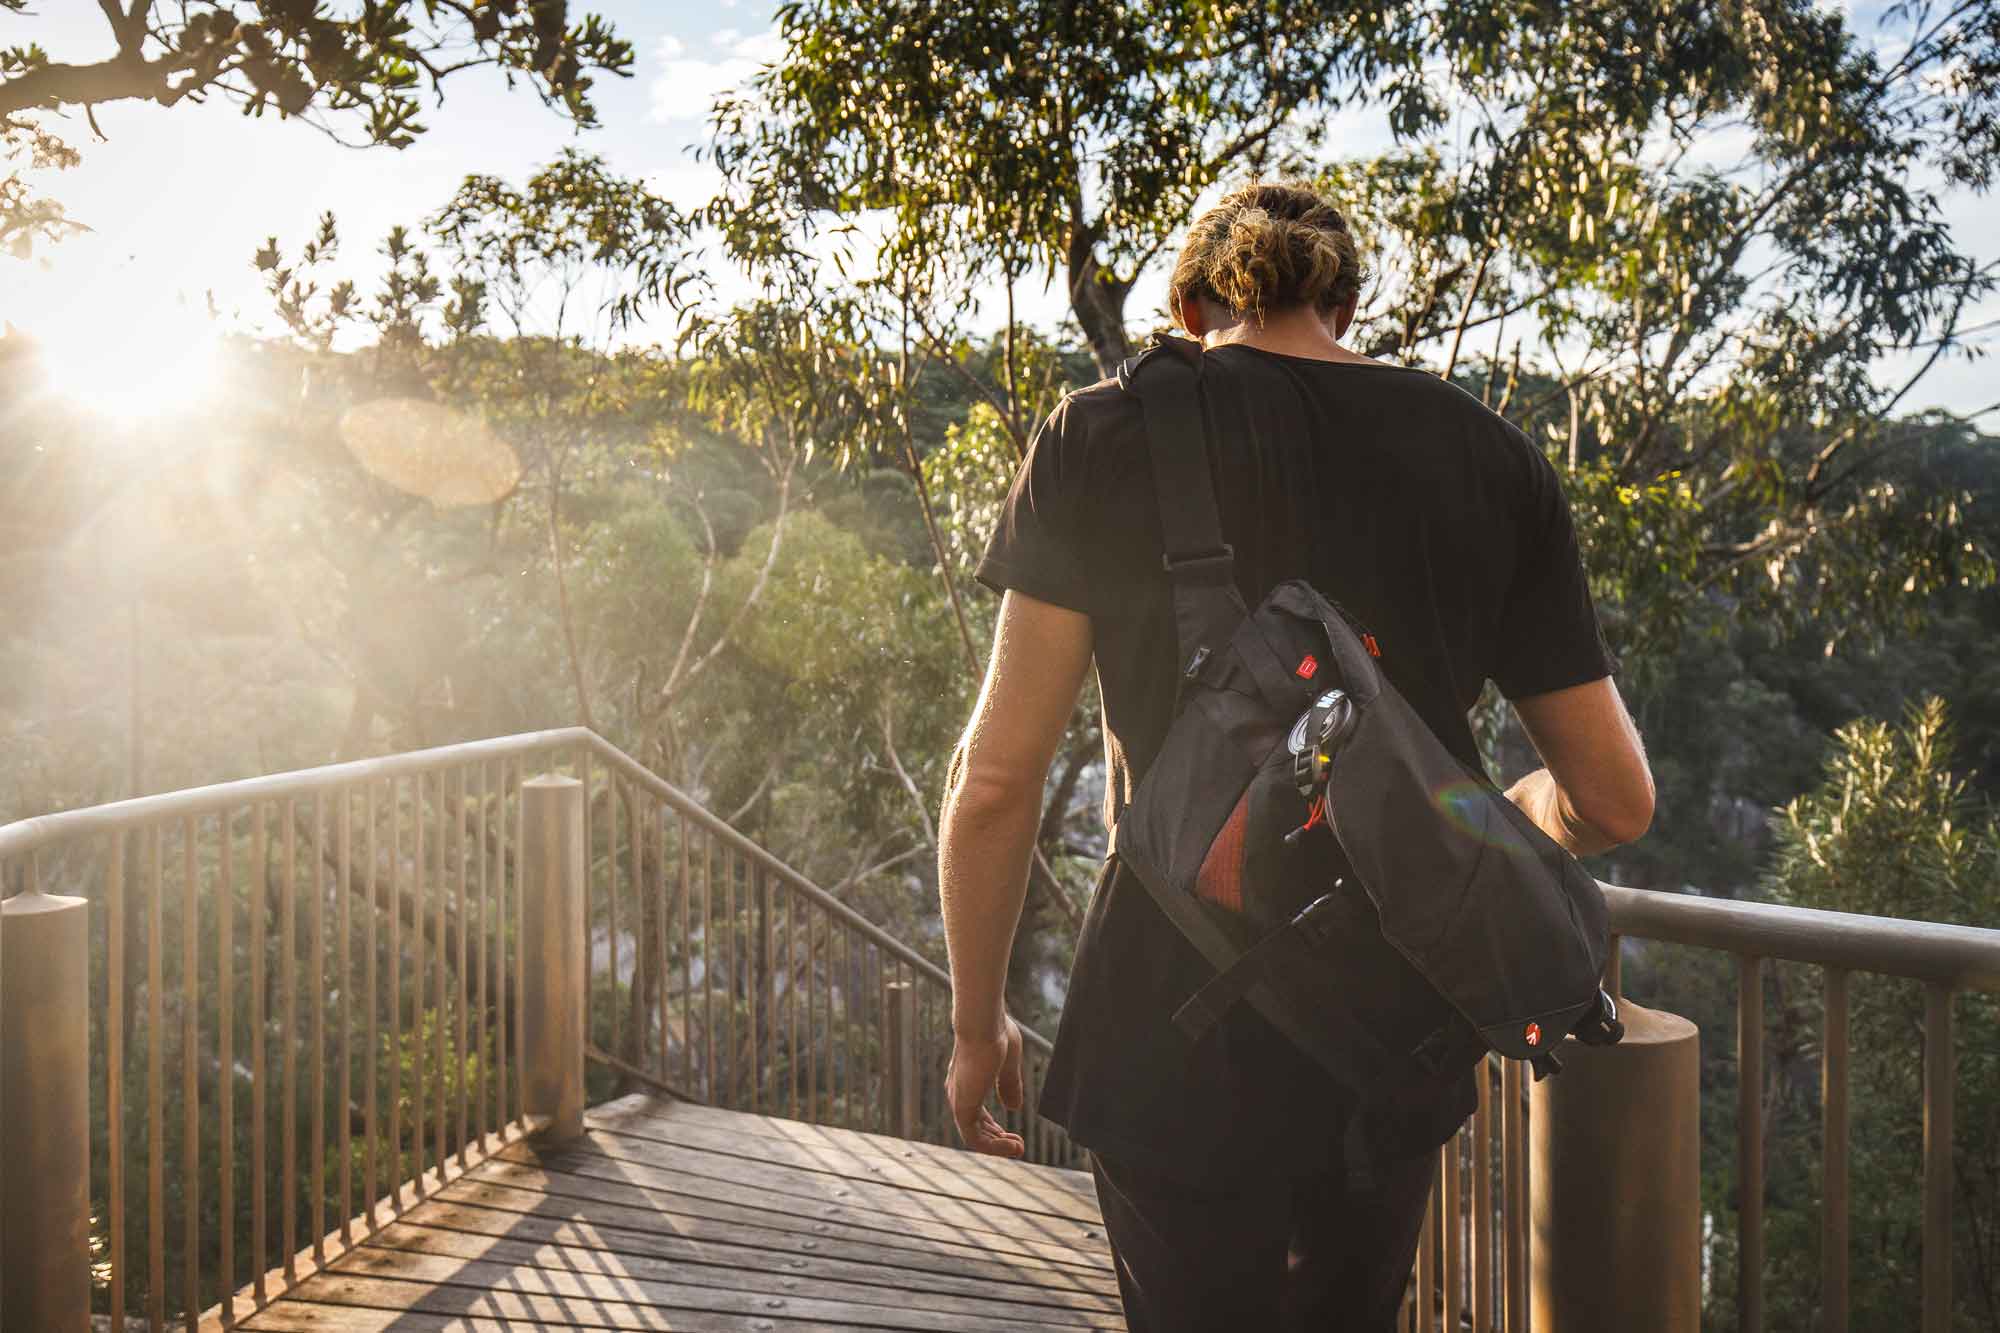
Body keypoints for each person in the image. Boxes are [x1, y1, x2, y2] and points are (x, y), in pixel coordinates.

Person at [937, 181, 1655, 1332]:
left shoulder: (1103, 433)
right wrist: (1487, 810)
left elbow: (996, 779)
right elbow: (1611, 799)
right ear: (1346, 304)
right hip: (1392, 1019)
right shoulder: (1491, 457)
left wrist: (979, 1025)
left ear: (1185, 308)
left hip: (1169, 1018)